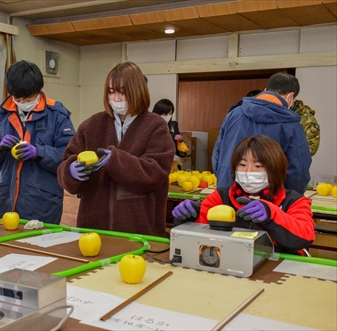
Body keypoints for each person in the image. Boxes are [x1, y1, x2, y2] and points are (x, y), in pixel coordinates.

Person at [57, 61, 174, 237]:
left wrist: (115, 160)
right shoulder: (91, 126)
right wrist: (71, 171)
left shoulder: (155, 127)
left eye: (122, 92)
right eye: (111, 92)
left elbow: (154, 172)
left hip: (138, 229)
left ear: (137, 91)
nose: (116, 99)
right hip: (93, 228)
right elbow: (64, 165)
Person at [173, 135, 315, 255]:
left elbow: (305, 235)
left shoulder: (294, 201)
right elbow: (201, 222)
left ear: (275, 169)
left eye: (258, 166)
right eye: (242, 165)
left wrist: (272, 215)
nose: (249, 171)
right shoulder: (222, 196)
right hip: (231, 265)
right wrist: (190, 217)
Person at [0, 60, 75, 224]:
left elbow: (68, 157)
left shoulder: (57, 116)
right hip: (1, 202)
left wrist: (39, 153)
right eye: (18, 98)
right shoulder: (0, 116)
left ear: (38, 90)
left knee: (35, 247)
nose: (23, 102)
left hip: (41, 205)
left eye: (28, 98)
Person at [212, 72, 311, 195]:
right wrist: (291, 198)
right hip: (269, 202)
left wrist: (225, 182)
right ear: (290, 97)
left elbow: (218, 155)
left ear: (265, 90)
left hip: (228, 194)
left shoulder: (233, 115)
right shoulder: (291, 125)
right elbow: (298, 171)